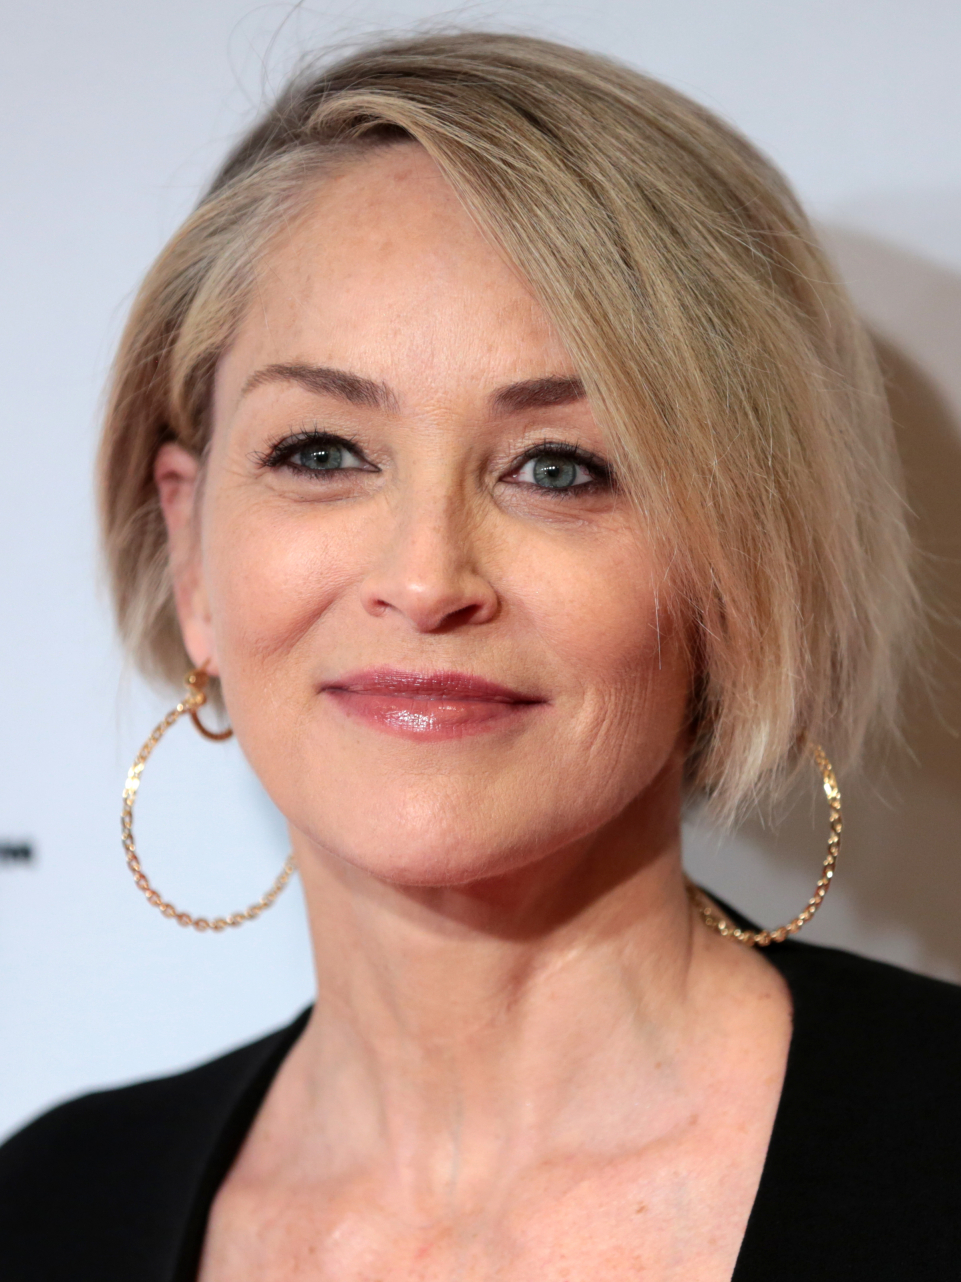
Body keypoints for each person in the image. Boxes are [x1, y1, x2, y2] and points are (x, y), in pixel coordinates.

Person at [2, 30, 959, 1282]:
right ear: (190, 550)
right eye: (321, 453)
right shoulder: (49, 1211)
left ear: (740, 568)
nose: (424, 579)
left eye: (559, 468)